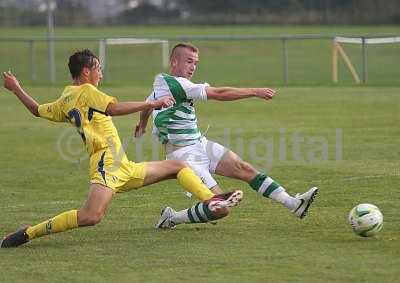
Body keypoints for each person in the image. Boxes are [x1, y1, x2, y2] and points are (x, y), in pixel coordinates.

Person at [0, 49, 243, 248]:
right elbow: (114, 108)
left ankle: (212, 201)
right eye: (98, 69)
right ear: (86, 71)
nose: (101, 75)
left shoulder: (65, 99)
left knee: (179, 166)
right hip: (106, 163)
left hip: (121, 165)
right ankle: (28, 233)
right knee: (91, 216)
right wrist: (153, 102)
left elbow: (37, 110)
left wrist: (16, 88)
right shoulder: (87, 91)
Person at [135, 43, 318, 229]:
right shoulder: (177, 84)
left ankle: (294, 204)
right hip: (183, 157)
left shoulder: (165, 86)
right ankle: (172, 217)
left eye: (196, 63)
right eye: (189, 61)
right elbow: (219, 93)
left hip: (200, 144)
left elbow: (148, 104)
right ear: (174, 61)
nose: (193, 67)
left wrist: (142, 125)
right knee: (220, 208)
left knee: (244, 168)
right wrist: (254, 91)